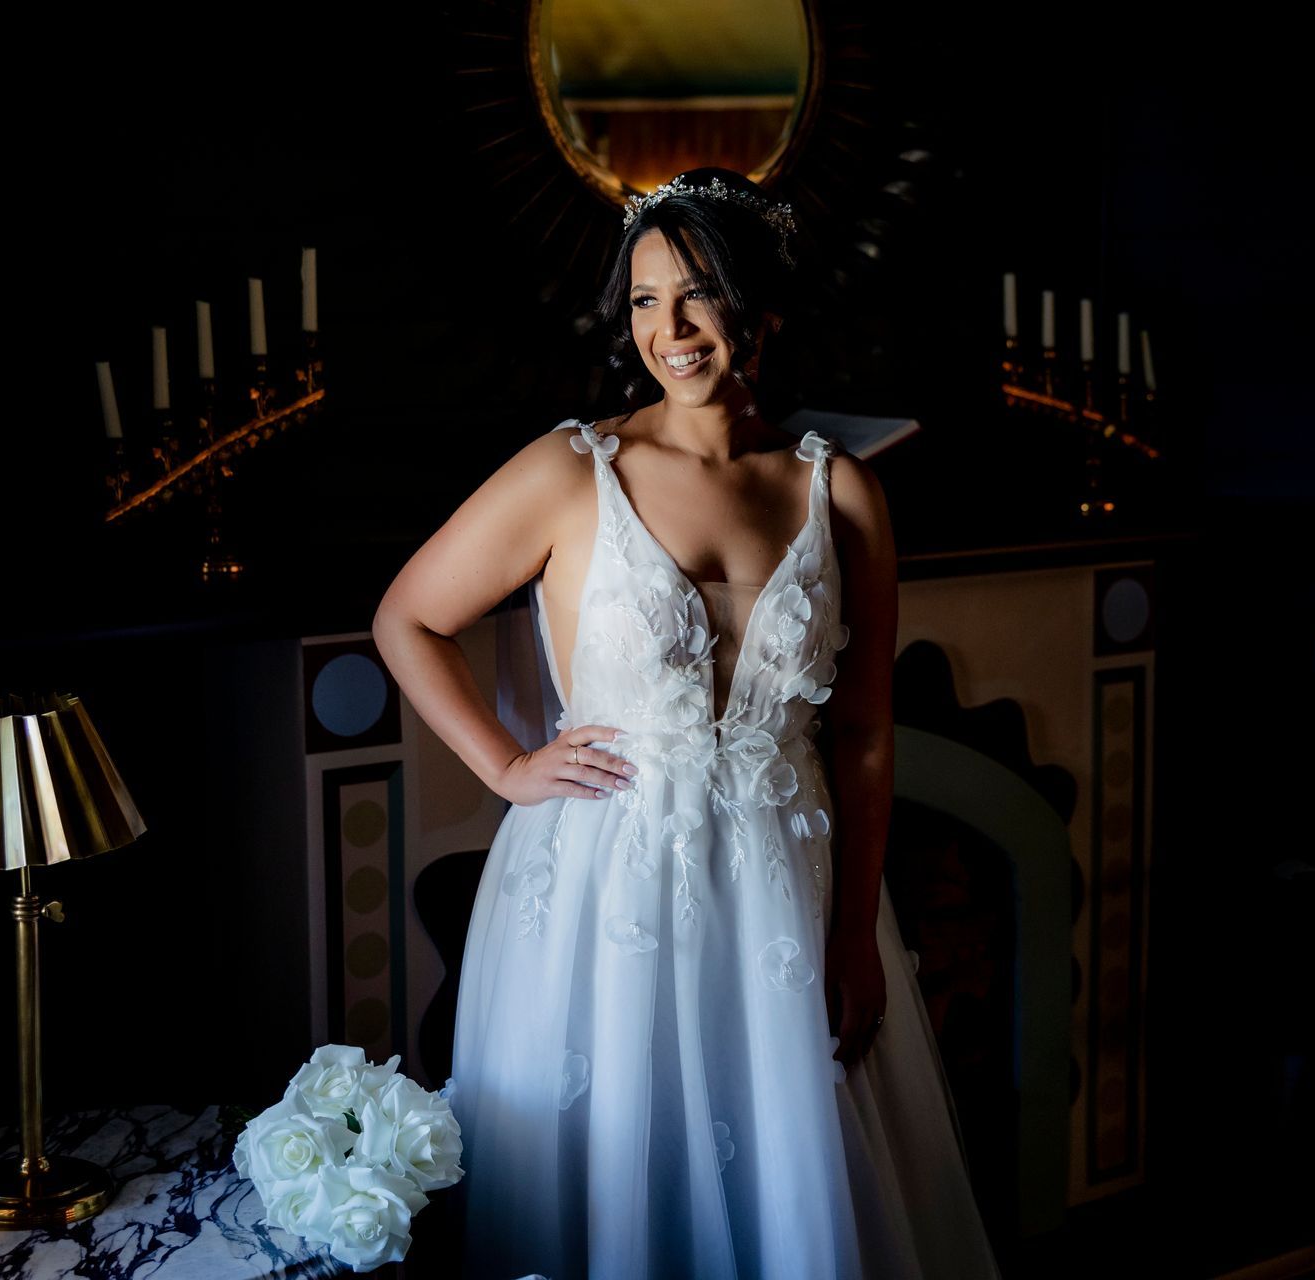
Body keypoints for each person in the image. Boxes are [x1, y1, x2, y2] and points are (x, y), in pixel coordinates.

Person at [371, 168, 1000, 1279]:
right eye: (647, 300)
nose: (672, 329)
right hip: (599, 890)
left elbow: (859, 732)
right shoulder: (573, 470)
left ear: (760, 308)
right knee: (615, 1192)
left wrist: (856, 929)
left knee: (792, 1190)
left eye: (699, 294)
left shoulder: (841, 492)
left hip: (784, 891)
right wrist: (508, 764)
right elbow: (407, 617)